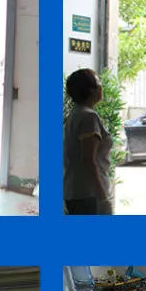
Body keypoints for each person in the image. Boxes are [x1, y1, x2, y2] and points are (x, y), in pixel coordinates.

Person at [63, 66, 114, 215]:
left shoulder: (75, 114)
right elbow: (88, 161)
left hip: (76, 191)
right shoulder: (89, 117)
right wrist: (102, 197)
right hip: (89, 194)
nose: (101, 87)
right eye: (98, 83)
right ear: (90, 90)